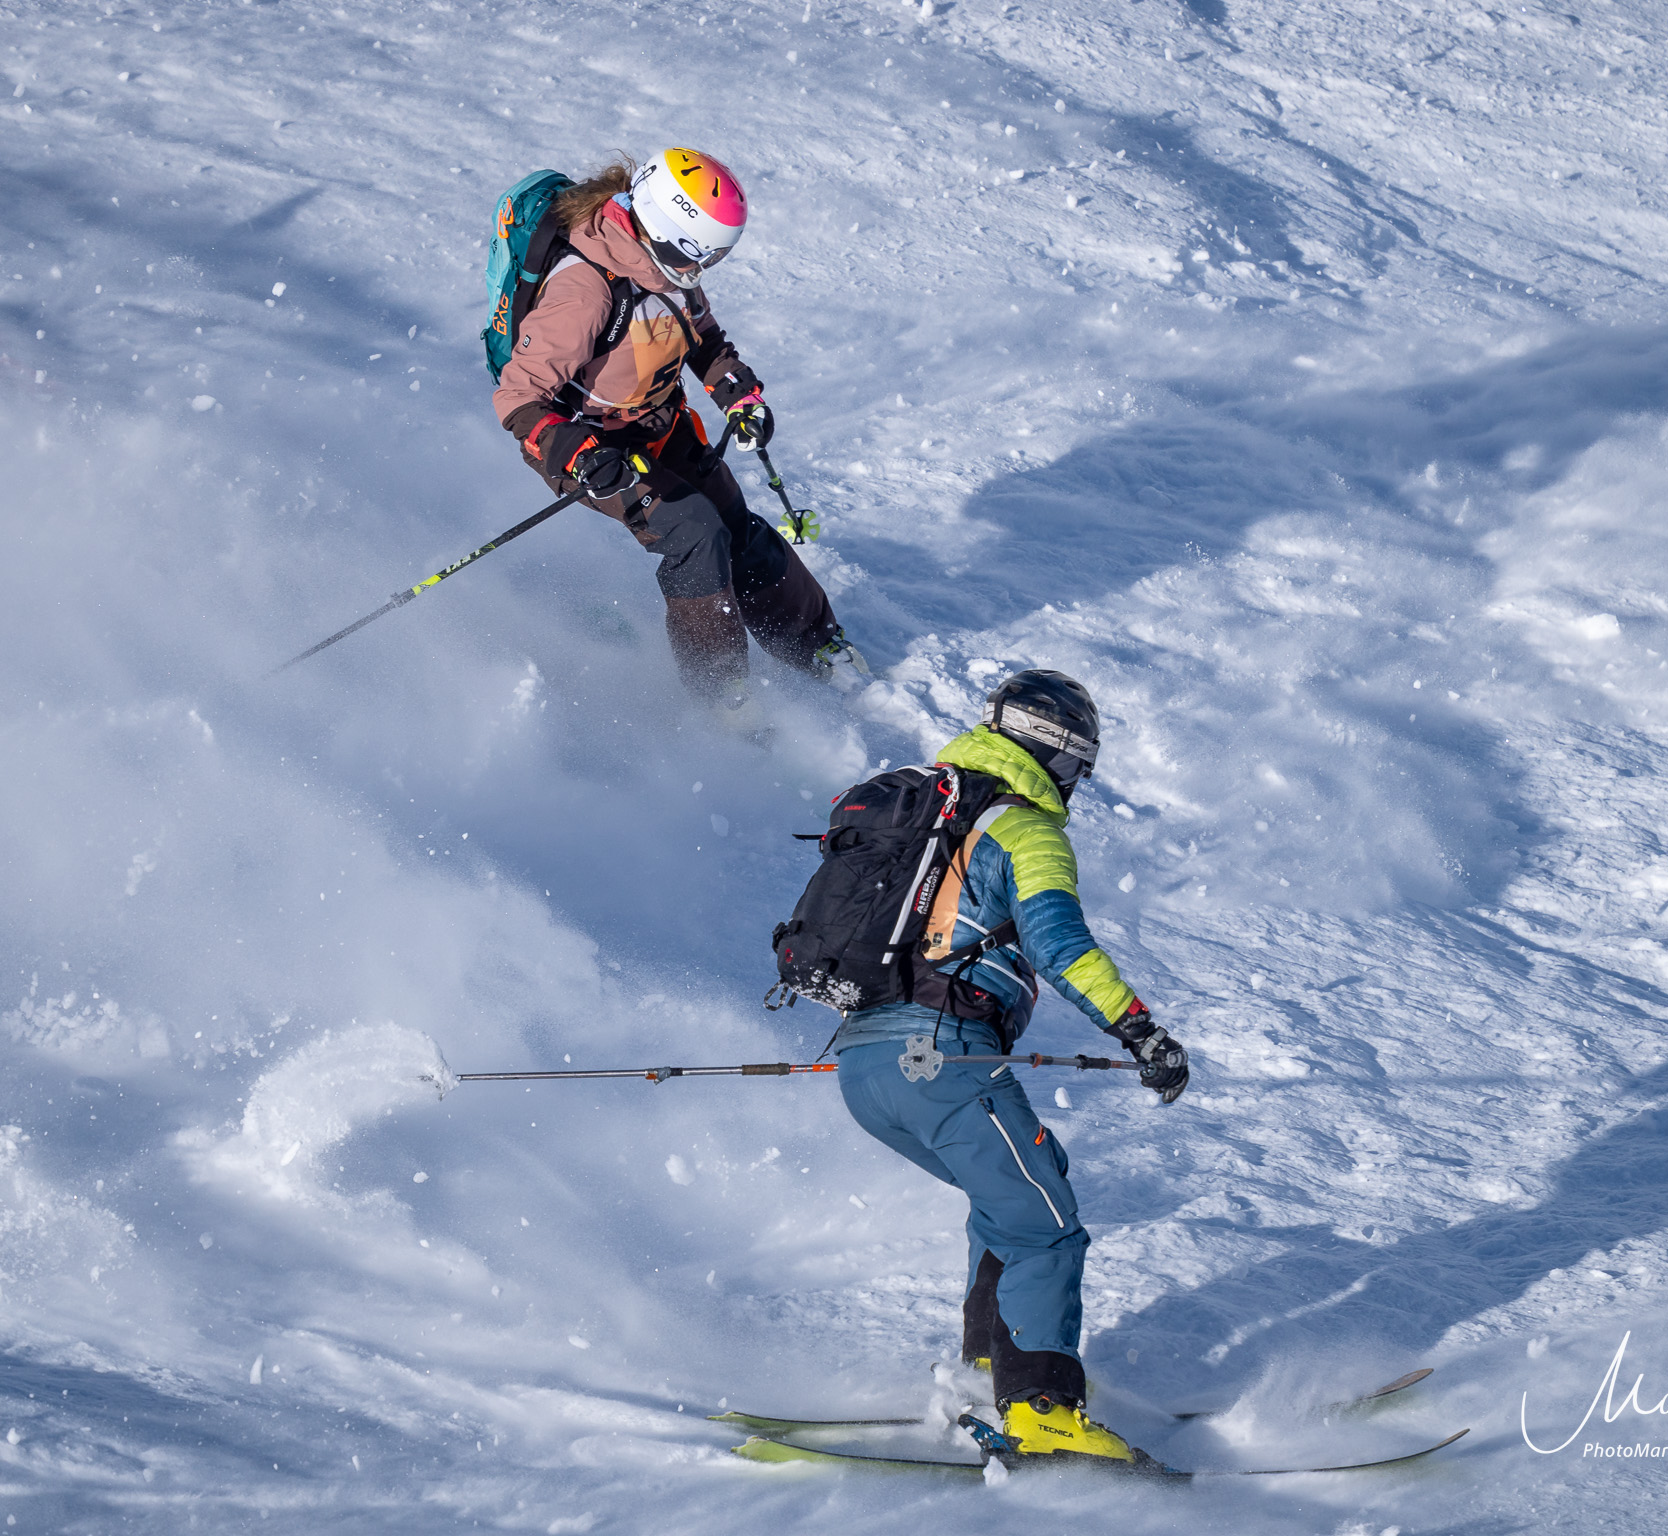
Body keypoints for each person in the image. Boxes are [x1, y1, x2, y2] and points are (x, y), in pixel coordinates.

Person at [829, 669, 1191, 1463]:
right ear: (1054, 756)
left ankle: (989, 1370)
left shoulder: (928, 815)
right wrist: (1141, 1032)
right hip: (945, 1061)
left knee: (1022, 1187)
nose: (1077, 785)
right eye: (1078, 768)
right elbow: (1061, 946)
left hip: (865, 1065)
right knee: (1045, 1228)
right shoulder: (1022, 830)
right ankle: (1040, 1409)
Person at [491, 148, 863, 724]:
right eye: (704, 252)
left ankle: (814, 644)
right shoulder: (585, 290)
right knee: (694, 533)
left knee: (734, 524)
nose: (707, 266)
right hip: (590, 447)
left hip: (659, 422)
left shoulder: (670, 273)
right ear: (670, 233)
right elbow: (518, 397)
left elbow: (703, 336)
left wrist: (737, 393)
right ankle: (719, 694)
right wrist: (580, 455)